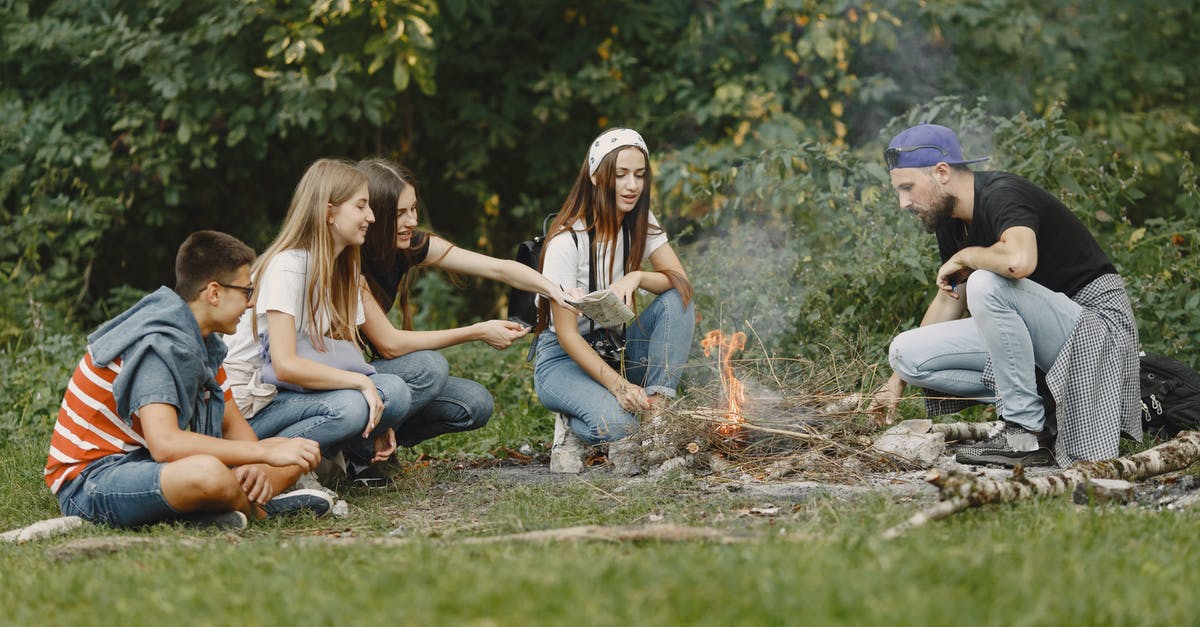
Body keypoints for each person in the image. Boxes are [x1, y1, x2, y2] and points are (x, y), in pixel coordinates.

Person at [871, 123, 1141, 467]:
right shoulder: (951, 220)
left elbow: (1019, 262)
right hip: (1041, 335)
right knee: (906, 353)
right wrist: (896, 382)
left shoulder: (1002, 194)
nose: (903, 202)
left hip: (1097, 328)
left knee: (986, 281)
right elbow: (951, 298)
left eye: (907, 188)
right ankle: (1041, 415)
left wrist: (968, 257)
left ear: (941, 172)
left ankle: (1023, 435)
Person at [45, 231, 327, 530]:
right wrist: (262, 453)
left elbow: (232, 425)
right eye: (246, 291)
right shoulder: (158, 344)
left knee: (295, 451)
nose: (250, 303)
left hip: (147, 466)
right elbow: (166, 444)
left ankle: (218, 510)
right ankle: (261, 512)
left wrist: (255, 464)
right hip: (92, 481)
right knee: (209, 473)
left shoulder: (203, 343)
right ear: (214, 293)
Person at [355, 158, 572, 448]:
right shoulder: (351, 262)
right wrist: (477, 331)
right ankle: (358, 449)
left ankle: (376, 445)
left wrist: (555, 290)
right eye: (400, 214)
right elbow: (389, 344)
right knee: (429, 367)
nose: (412, 221)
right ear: (375, 216)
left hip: (368, 374)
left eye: (414, 208)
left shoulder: (408, 246)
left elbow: (498, 268)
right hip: (343, 380)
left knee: (475, 403)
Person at [223, 159, 412, 487]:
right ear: (329, 213)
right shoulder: (287, 267)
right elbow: (284, 366)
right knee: (352, 406)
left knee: (393, 390)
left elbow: (343, 353)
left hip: (292, 393)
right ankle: (267, 470)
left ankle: (329, 461)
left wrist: (377, 411)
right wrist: (361, 385)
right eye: (361, 206)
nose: (371, 216)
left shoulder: (344, 268)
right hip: (249, 407)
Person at [533, 128, 696, 475]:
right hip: (564, 360)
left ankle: (658, 417)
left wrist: (636, 276)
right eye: (620, 175)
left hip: (617, 349)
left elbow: (681, 281)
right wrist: (619, 387)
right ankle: (572, 419)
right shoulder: (567, 242)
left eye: (639, 175)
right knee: (620, 426)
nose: (631, 185)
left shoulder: (640, 221)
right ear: (595, 177)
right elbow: (567, 335)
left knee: (677, 299)